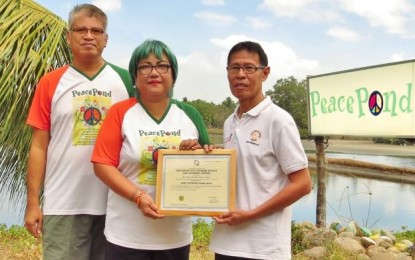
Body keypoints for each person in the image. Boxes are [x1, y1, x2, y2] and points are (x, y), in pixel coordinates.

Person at [24, 4, 135, 260]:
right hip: (64, 203)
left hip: (115, 203)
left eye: (96, 31)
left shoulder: (126, 81)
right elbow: (39, 146)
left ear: (105, 39)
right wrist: (32, 203)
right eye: (81, 29)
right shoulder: (50, 82)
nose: (88, 35)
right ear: (68, 36)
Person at [91, 39, 211, 260]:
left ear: (173, 75)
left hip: (174, 236)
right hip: (126, 234)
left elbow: (210, 164)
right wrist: (138, 197)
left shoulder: (190, 114)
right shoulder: (120, 112)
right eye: (145, 66)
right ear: (135, 77)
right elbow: (102, 165)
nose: (154, 72)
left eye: (162, 66)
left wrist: (194, 153)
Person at [209, 41, 312, 260]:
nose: (240, 74)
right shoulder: (230, 122)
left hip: (264, 249)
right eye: (234, 68)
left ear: (264, 73)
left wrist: (250, 215)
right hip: (226, 243)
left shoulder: (279, 120)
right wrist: (209, 157)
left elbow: (302, 184)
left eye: (249, 68)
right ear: (227, 73)